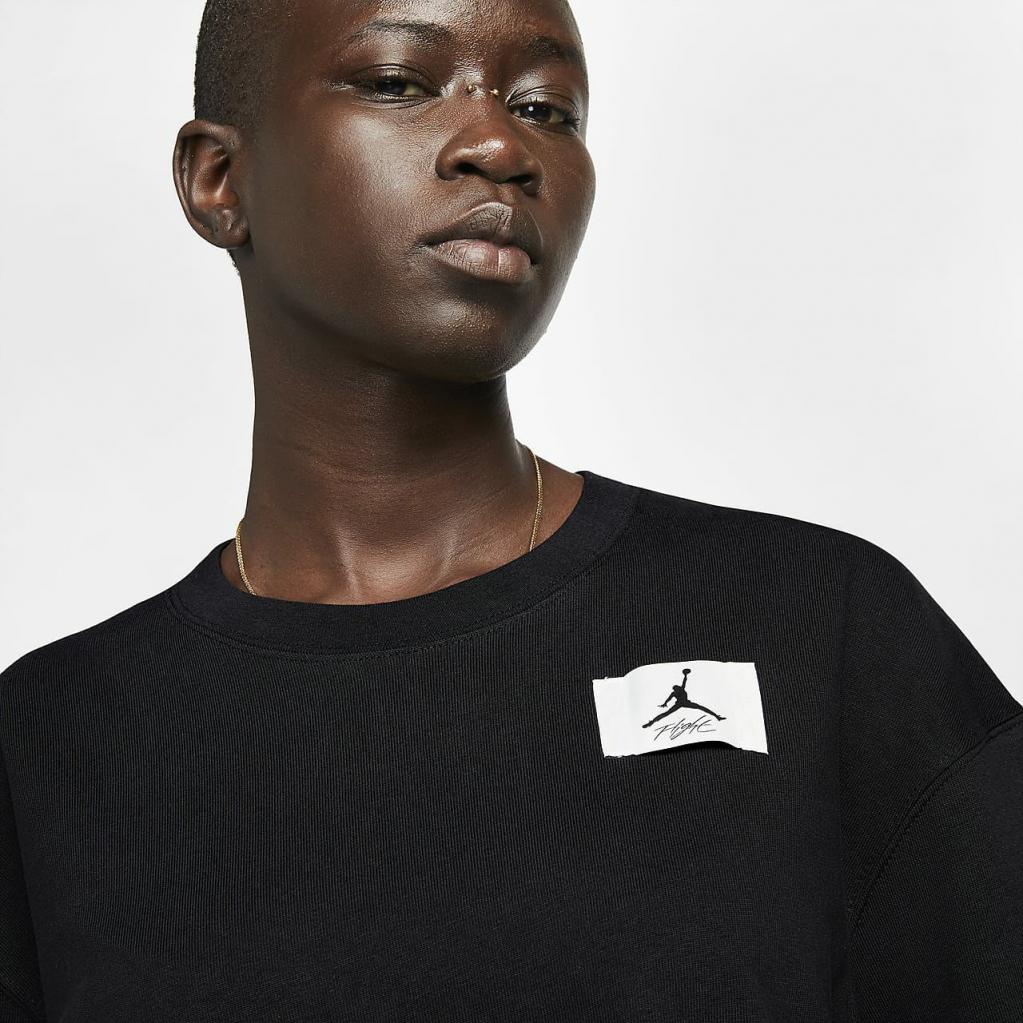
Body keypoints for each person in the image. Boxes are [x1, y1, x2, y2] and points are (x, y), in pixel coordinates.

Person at [1, 0, 1020, 1019]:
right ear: (220, 181)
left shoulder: (815, 629)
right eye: (397, 82)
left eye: (546, 107)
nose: (500, 145)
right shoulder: (50, 744)